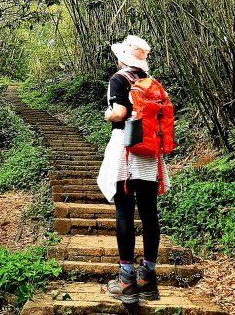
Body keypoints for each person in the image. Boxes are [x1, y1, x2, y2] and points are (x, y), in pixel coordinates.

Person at [96, 34, 170, 305]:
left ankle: (126, 279)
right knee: (150, 212)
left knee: (124, 210)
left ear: (122, 58)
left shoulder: (119, 78)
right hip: (150, 152)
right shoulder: (152, 83)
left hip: (126, 150)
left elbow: (118, 113)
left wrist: (107, 114)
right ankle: (148, 277)